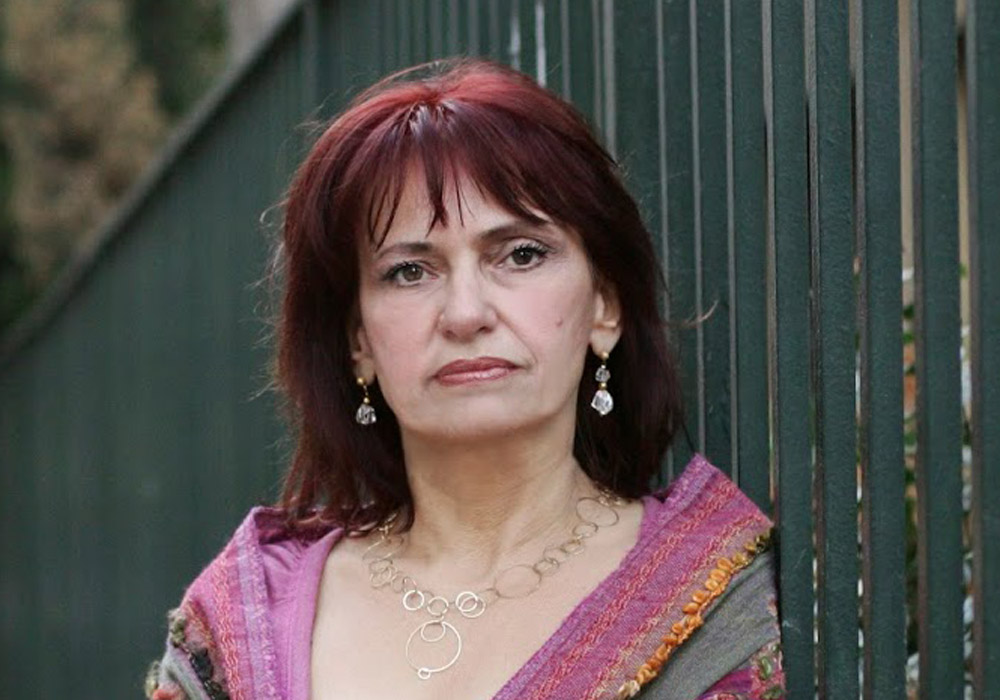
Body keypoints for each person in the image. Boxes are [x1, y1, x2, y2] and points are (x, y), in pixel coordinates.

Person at [144, 58, 784, 700]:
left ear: (604, 307)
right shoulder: (243, 621)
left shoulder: (711, 604)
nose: (466, 313)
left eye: (521, 255)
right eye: (410, 272)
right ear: (358, 341)